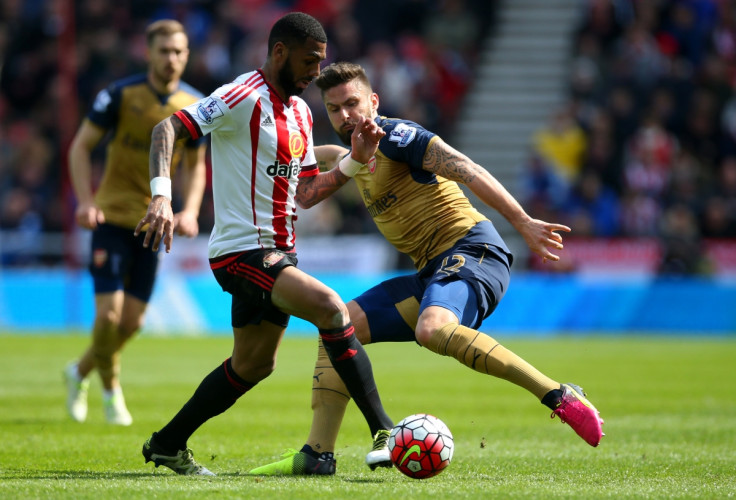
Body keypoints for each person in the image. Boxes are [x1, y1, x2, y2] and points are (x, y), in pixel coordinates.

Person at [248, 62, 605, 476]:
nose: (346, 116)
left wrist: (523, 222)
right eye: (334, 109)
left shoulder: (400, 137)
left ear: (373, 102)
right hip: (430, 272)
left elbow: (469, 170)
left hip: (473, 250)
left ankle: (558, 395)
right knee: (337, 325)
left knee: (432, 329)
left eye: (352, 104)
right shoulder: (348, 157)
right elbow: (293, 159)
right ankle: (317, 454)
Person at [134, 13, 394, 477]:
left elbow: (309, 193)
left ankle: (168, 443)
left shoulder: (298, 112)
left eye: (322, 61)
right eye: (310, 60)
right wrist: (160, 195)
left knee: (253, 364)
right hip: (241, 251)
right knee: (332, 308)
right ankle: (386, 432)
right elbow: (165, 130)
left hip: (279, 252)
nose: (317, 71)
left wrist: (355, 163)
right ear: (279, 53)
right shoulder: (241, 95)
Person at [64, 19, 207, 426]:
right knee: (108, 317)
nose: (171, 59)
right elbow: (80, 148)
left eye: (179, 51)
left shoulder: (194, 105)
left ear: (187, 55)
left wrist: (192, 210)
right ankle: (111, 392)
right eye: (164, 51)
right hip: (110, 218)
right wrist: (86, 201)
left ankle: (78, 372)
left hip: (153, 226)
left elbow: (196, 166)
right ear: (148, 53)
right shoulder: (119, 96)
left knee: (132, 323)